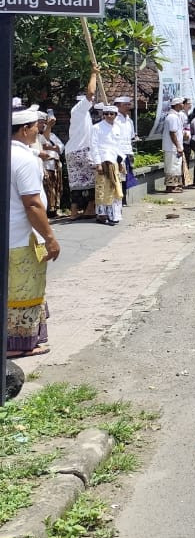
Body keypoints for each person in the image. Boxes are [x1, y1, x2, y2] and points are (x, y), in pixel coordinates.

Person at [7, 104, 61, 358]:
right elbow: (32, 203)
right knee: (25, 288)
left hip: (10, 236)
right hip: (23, 237)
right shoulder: (24, 159)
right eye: (36, 127)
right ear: (26, 129)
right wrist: (50, 238)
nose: (40, 130)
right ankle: (17, 345)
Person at [65, 68, 99, 218]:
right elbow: (91, 92)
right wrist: (93, 73)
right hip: (81, 151)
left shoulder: (82, 114)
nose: (92, 101)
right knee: (93, 179)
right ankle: (90, 208)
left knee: (76, 182)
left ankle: (74, 211)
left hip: (72, 151)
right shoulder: (79, 109)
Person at [92, 104, 124, 226]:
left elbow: (119, 146)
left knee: (114, 189)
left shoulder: (118, 128)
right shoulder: (97, 128)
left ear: (116, 115)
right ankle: (102, 214)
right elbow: (94, 146)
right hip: (103, 162)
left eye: (112, 114)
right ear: (103, 115)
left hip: (115, 162)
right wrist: (98, 163)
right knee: (103, 189)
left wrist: (121, 162)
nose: (109, 116)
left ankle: (114, 215)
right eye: (106, 114)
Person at [35, 113, 63, 215]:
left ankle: (54, 208)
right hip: (44, 165)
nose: (42, 125)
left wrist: (51, 148)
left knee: (56, 189)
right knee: (47, 188)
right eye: (40, 122)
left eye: (44, 123)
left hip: (54, 165)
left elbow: (61, 147)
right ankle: (47, 209)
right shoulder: (36, 136)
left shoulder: (52, 135)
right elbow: (43, 144)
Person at [111, 97, 138, 204]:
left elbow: (131, 136)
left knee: (127, 176)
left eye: (128, 104)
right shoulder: (115, 120)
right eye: (126, 105)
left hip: (128, 151)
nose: (128, 107)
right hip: (118, 152)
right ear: (118, 106)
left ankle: (124, 199)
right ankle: (118, 199)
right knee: (119, 176)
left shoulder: (129, 121)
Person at [163, 97, 186, 192]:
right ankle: (170, 186)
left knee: (176, 167)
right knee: (172, 167)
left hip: (175, 146)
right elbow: (172, 133)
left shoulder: (176, 116)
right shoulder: (172, 117)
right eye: (182, 103)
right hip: (171, 147)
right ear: (177, 105)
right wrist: (178, 146)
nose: (183, 105)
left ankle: (175, 185)